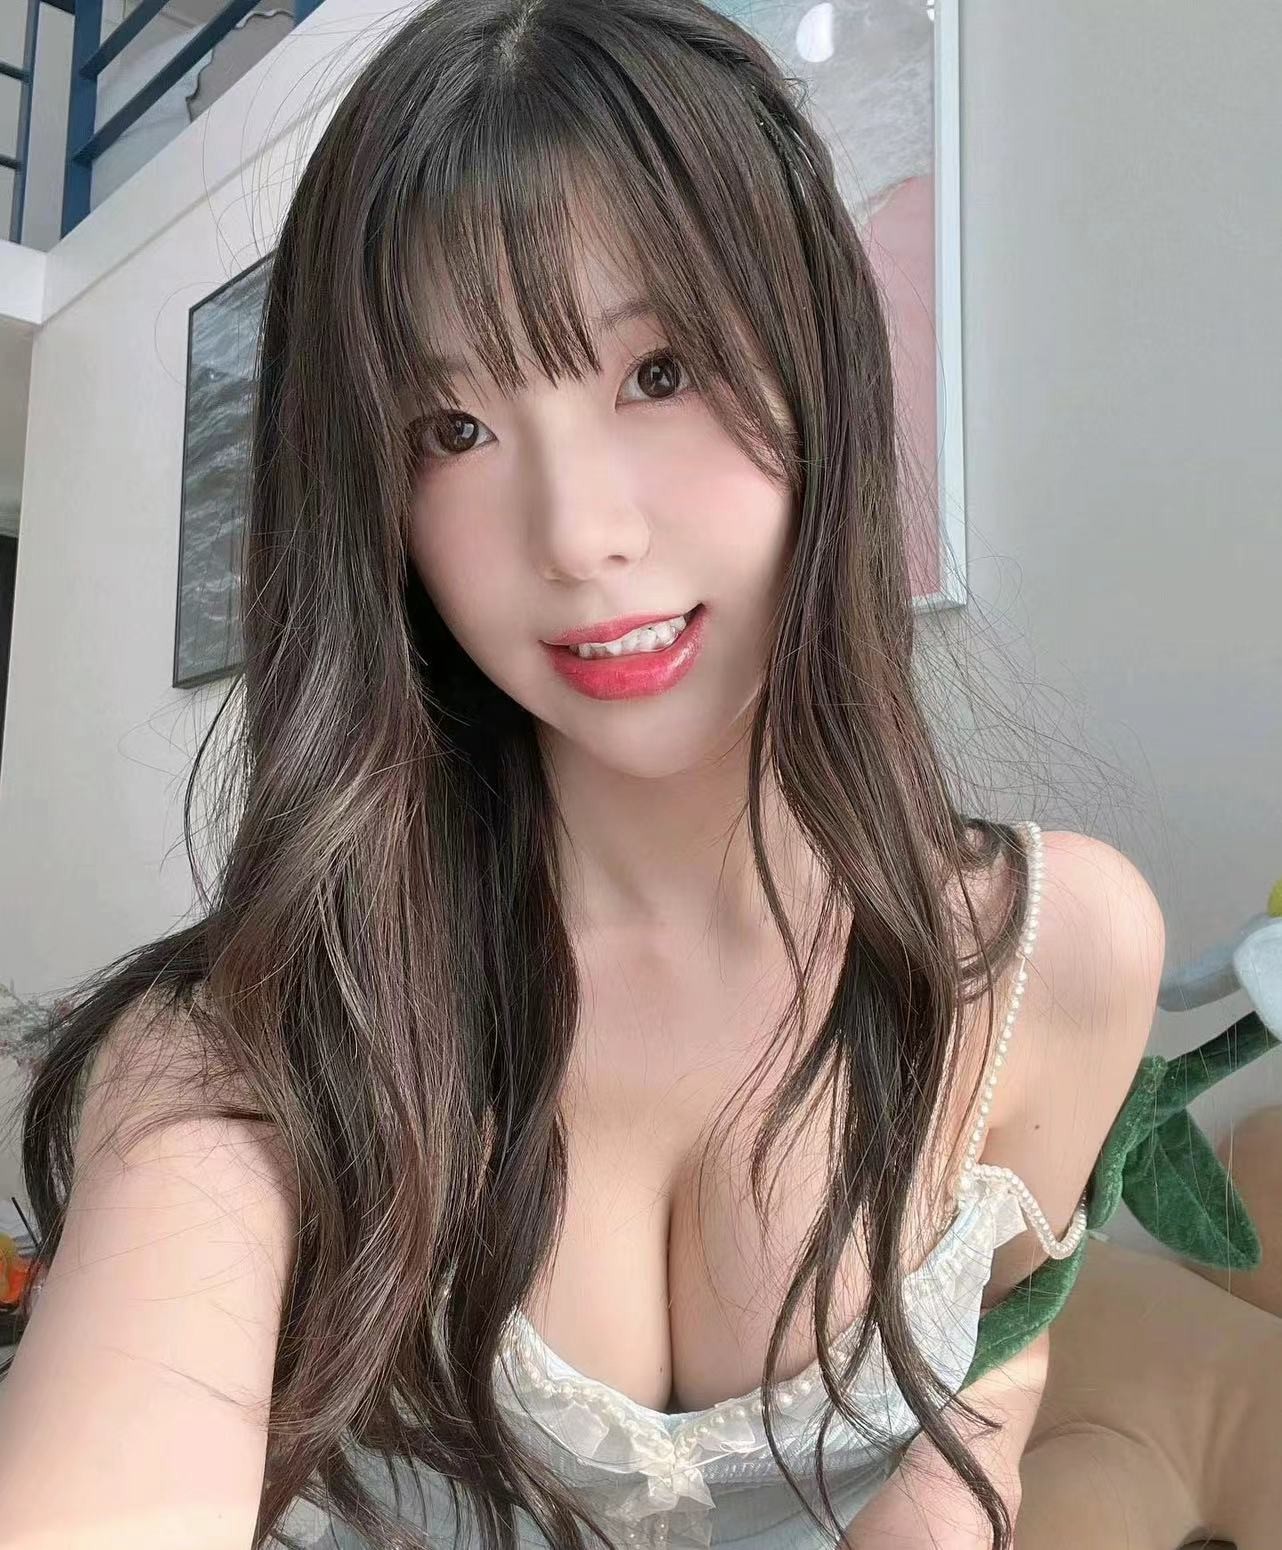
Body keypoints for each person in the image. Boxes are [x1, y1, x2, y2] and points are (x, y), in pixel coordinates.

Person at [0, 2, 1165, 1547]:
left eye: (658, 370)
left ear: (818, 367)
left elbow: (1010, 1331)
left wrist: (950, 1498)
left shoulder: (1055, 951)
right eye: (454, 427)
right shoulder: (252, 1041)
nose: (575, 535)